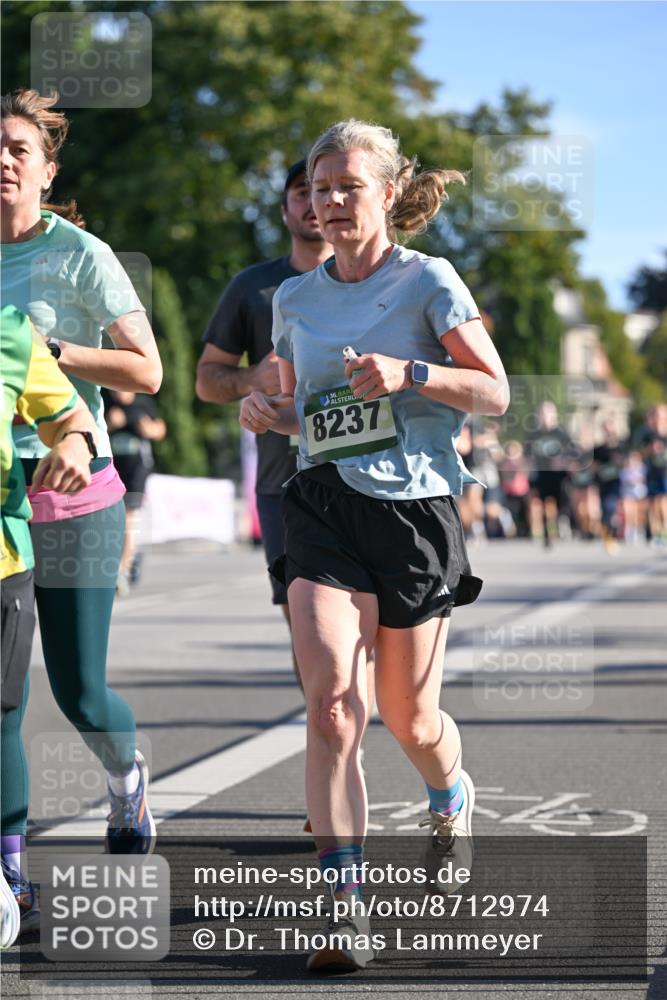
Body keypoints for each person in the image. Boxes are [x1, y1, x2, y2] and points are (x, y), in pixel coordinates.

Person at [240, 119, 509, 971]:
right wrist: (265, 411)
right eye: (318, 190)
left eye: (347, 187)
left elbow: (495, 393)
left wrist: (412, 373)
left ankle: (448, 793)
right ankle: (343, 906)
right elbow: (307, 410)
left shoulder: (429, 280)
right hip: (319, 502)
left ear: (387, 193)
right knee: (329, 706)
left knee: (409, 718)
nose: (329, 203)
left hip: (414, 511)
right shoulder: (294, 298)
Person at [1, 88, 162, 924]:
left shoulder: (80, 254)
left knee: (79, 692)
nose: (2, 159)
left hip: (72, 495)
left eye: (18, 148)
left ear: (46, 167)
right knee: (1, 703)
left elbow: (148, 372)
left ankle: (127, 782)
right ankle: (11, 879)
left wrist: (49, 351)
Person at [196, 159, 332, 656]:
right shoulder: (253, 288)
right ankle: (337, 733)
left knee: (371, 634)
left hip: (369, 476)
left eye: (322, 190)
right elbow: (206, 381)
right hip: (285, 485)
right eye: (301, 192)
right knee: (310, 635)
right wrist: (253, 377)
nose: (313, 202)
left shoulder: (375, 282)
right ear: (285, 210)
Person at [1, 304, 98, 947]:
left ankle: (12, 877)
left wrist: (69, 444)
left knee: (1, 716)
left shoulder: (7, 327)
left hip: (2, 559)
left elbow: (72, 417)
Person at [104, 389, 166, 593]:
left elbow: (160, 429)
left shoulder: (143, 403)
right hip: (111, 469)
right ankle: (130, 556)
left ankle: (121, 570)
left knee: (129, 518)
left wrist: (149, 429)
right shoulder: (104, 400)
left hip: (137, 470)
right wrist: (110, 424)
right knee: (112, 520)